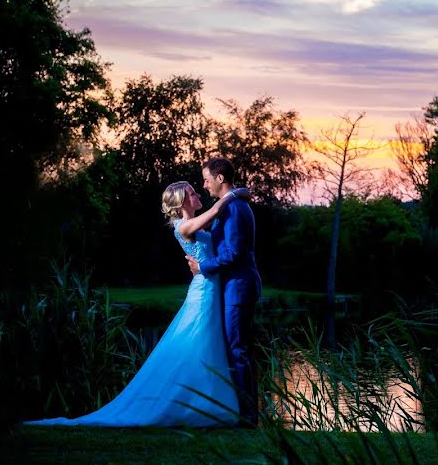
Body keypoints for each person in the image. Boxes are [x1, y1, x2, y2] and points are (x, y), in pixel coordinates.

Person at [24, 181, 246, 428]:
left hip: (211, 289)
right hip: (204, 292)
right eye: (192, 193)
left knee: (208, 342)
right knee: (200, 341)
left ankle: (211, 405)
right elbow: (215, 212)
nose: (197, 194)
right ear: (182, 201)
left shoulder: (195, 223)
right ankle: (203, 407)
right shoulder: (183, 226)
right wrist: (233, 194)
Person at [187, 157, 262, 427]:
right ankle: (239, 410)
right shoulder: (229, 206)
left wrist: (202, 267)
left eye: (207, 179)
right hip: (231, 286)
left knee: (238, 349)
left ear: (220, 179)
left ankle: (249, 417)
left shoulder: (235, 209)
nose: (204, 185)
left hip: (238, 287)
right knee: (234, 348)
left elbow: (233, 253)